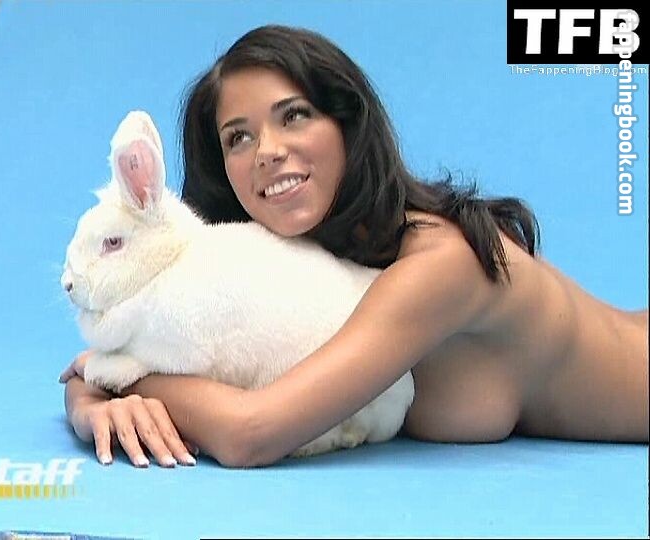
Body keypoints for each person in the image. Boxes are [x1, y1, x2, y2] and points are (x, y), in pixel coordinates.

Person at [59, 25, 649, 469]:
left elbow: (250, 433)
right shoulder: (282, 267)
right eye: (238, 138)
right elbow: (116, 360)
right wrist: (93, 404)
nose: (267, 151)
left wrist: (123, 378)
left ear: (347, 124)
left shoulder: (441, 264)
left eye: (295, 116)